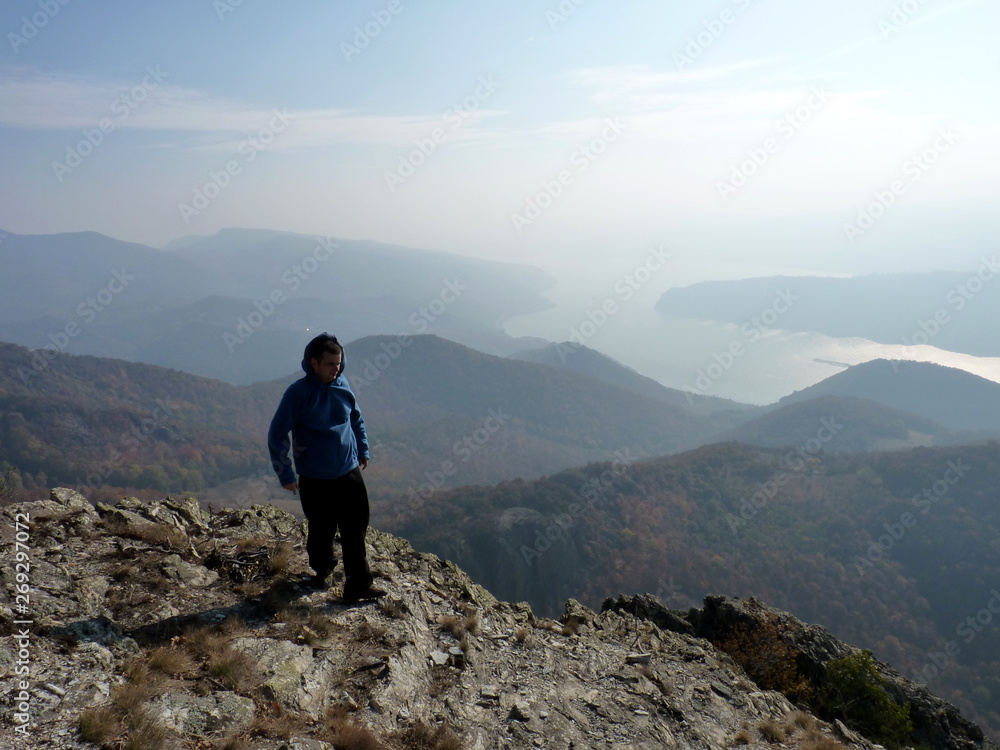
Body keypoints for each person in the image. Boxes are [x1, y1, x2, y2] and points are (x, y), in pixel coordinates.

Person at [268, 332, 381, 600]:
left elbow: (356, 418)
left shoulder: (342, 384)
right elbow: (277, 434)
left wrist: (362, 449)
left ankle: (358, 584)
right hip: (315, 476)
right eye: (330, 364)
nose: (337, 369)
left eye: (339, 363)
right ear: (314, 363)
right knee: (321, 530)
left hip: (348, 470)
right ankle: (322, 570)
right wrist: (285, 472)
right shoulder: (298, 393)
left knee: (356, 527)